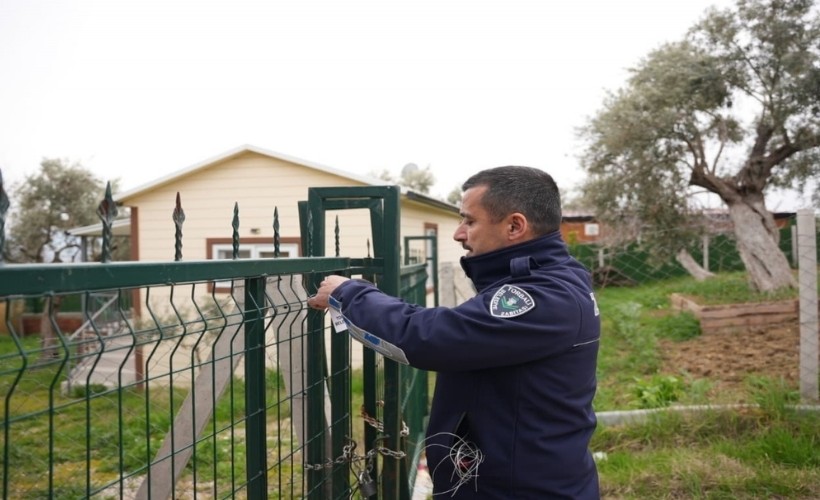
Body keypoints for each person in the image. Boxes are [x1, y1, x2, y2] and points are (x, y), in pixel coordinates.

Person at [308, 165, 600, 499]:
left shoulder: (541, 297)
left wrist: (348, 293)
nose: (458, 234)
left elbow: (431, 338)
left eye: (470, 221)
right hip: (522, 477)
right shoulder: (553, 277)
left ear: (515, 226)